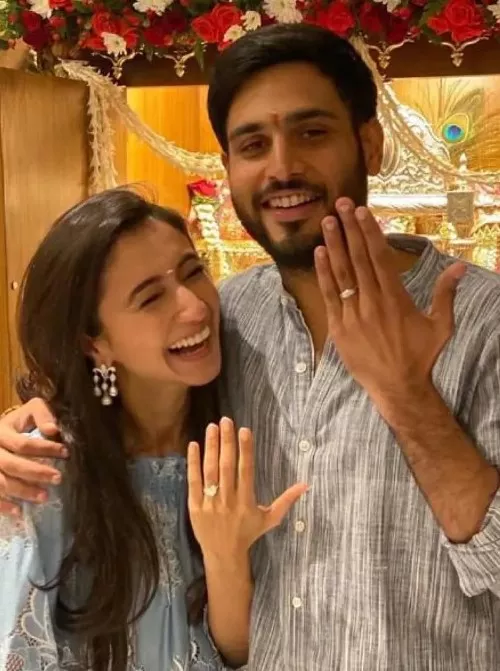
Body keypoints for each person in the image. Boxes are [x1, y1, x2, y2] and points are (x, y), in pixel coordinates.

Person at [1, 22, 500, 670]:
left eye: (312, 132)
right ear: (230, 170)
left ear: (370, 144)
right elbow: (120, 399)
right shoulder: (232, 318)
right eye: (253, 144)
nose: (282, 167)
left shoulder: (483, 321)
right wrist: (25, 431)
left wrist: (408, 396)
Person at [0, 187, 307, 671]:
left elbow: (240, 653)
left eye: (193, 271)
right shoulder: (46, 476)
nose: (195, 307)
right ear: (94, 344)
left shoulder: (235, 438)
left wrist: (225, 556)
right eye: (150, 298)